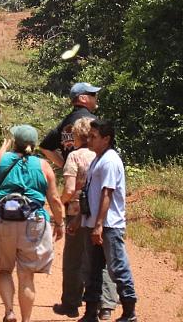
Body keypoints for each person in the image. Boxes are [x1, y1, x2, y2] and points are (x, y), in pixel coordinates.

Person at [0, 125, 64, 322]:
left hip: (1, 220)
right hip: (33, 222)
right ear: (34, 144)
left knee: (4, 270)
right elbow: (54, 199)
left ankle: (9, 311)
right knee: (26, 275)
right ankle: (26, 320)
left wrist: (2, 149)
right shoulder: (43, 165)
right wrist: (60, 223)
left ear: (14, 142)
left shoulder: (3, 159)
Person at [52, 118, 119, 320]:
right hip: (102, 213)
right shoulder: (104, 156)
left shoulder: (74, 157)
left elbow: (70, 189)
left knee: (74, 259)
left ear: (77, 135)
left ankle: (71, 304)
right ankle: (106, 305)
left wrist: (59, 203)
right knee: (101, 259)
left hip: (78, 212)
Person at [79, 119, 138, 322]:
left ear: (106, 139)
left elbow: (107, 194)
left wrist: (98, 225)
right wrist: (79, 218)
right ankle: (90, 313)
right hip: (95, 224)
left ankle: (129, 312)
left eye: (94, 137)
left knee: (117, 267)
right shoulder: (97, 159)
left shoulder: (110, 161)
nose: (89, 140)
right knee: (93, 269)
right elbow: (89, 193)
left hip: (108, 226)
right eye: (89, 136)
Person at [39, 82, 100, 169]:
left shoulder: (64, 123)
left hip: (71, 178)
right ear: (83, 98)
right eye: (93, 94)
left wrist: (66, 166)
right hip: (93, 178)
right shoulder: (94, 121)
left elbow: (45, 147)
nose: (96, 97)